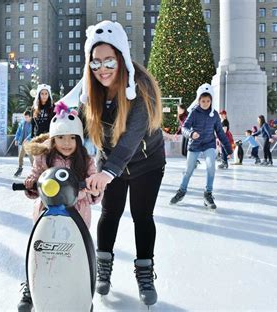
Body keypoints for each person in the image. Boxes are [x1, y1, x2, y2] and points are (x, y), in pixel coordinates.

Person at [80, 21, 166, 306]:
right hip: (110, 162)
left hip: (147, 162)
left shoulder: (140, 87)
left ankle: (145, 271)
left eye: (108, 61)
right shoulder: (93, 90)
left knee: (142, 215)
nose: (102, 69)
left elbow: (131, 137)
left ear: (121, 57)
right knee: (110, 212)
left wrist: (107, 173)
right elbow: (77, 125)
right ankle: (103, 268)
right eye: (95, 63)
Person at [17, 101, 102, 311]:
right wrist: (31, 184)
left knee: (74, 252)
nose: (66, 142)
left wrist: (90, 189)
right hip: (46, 215)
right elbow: (36, 178)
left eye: (72, 138)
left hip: (77, 215)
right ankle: (31, 283)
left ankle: (78, 286)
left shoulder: (86, 160)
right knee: (42, 250)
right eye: (61, 137)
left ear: (79, 139)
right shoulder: (44, 157)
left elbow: (94, 185)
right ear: (53, 138)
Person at [170, 83, 232, 209]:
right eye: (203, 101)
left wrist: (228, 149)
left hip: (209, 144)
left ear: (211, 100)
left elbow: (220, 133)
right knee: (189, 170)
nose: (205, 103)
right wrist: (191, 134)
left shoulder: (214, 115)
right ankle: (181, 191)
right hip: (195, 145)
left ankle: (208, 194)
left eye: (208, 101)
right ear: (199, 100)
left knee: (211, 167)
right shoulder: (194, 113)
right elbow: (184, 128)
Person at [13, 110, 33, 177]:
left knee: (31, 157)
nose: (26, 119)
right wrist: (16, 139)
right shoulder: (22, 123)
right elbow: (18, 131)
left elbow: (33, 133)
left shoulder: (33, 123)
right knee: (20, 156)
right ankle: (20, 169)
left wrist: (27, 139)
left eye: (27, 117)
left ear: (30, 117)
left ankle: (34, 170)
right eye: (25, 117)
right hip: (23, 143)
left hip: (30, 143)